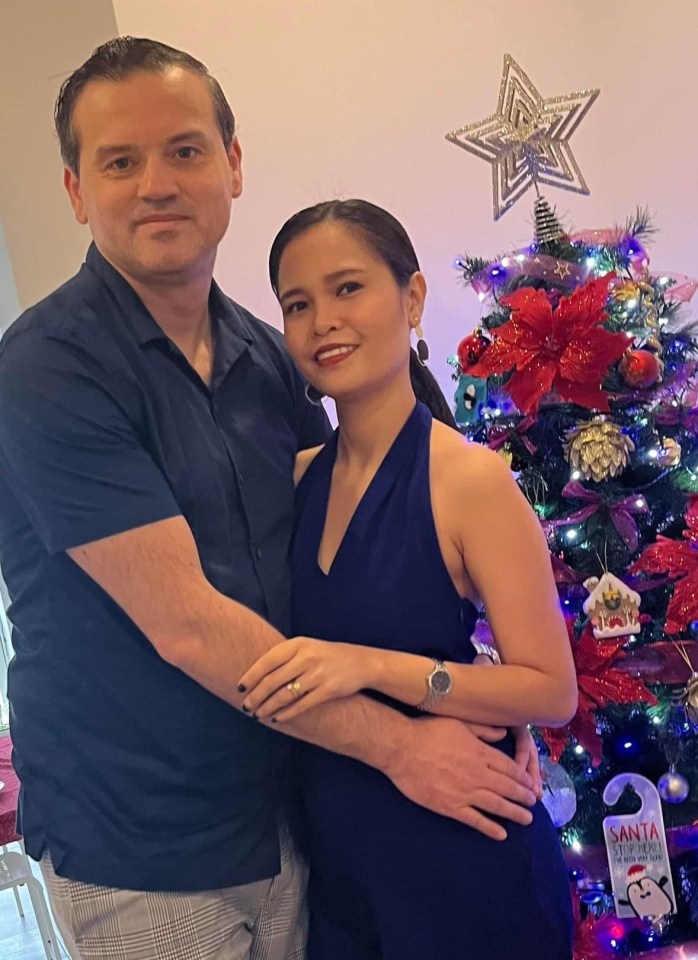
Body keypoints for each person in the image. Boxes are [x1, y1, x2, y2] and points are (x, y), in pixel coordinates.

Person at [0, 39, 541, 960]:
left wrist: (477, 699)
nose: (156, 184)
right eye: (119, 162)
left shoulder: (267, 360)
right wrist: (407, 746)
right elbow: (189, 626)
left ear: (233, 165)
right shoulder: (50, 369)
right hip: (149, 847)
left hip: (302, 812)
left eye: (183, 149)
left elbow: (353, 562)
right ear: (77, 192)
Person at [238, 198, 578, 960]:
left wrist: (365, 666)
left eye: (348, 288)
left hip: (465, 866)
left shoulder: (469, 480)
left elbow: (552, 691)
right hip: (340, 876)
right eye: (299, 304)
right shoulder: (293, 481)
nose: (323, 319)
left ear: (413, 298)